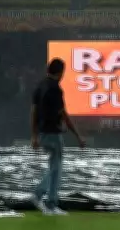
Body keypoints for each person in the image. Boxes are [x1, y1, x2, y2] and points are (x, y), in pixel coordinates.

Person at [31, 58, 87, 215]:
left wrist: (34, 135)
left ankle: (49, 202)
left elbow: (33, 112)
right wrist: (78, 136)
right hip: (53, 133)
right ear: (61, 72)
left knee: (54, 167)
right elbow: (63, 114)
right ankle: (43, 198)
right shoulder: (55, 89)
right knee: (56, 168)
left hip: (42, 133)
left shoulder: (40, 86)